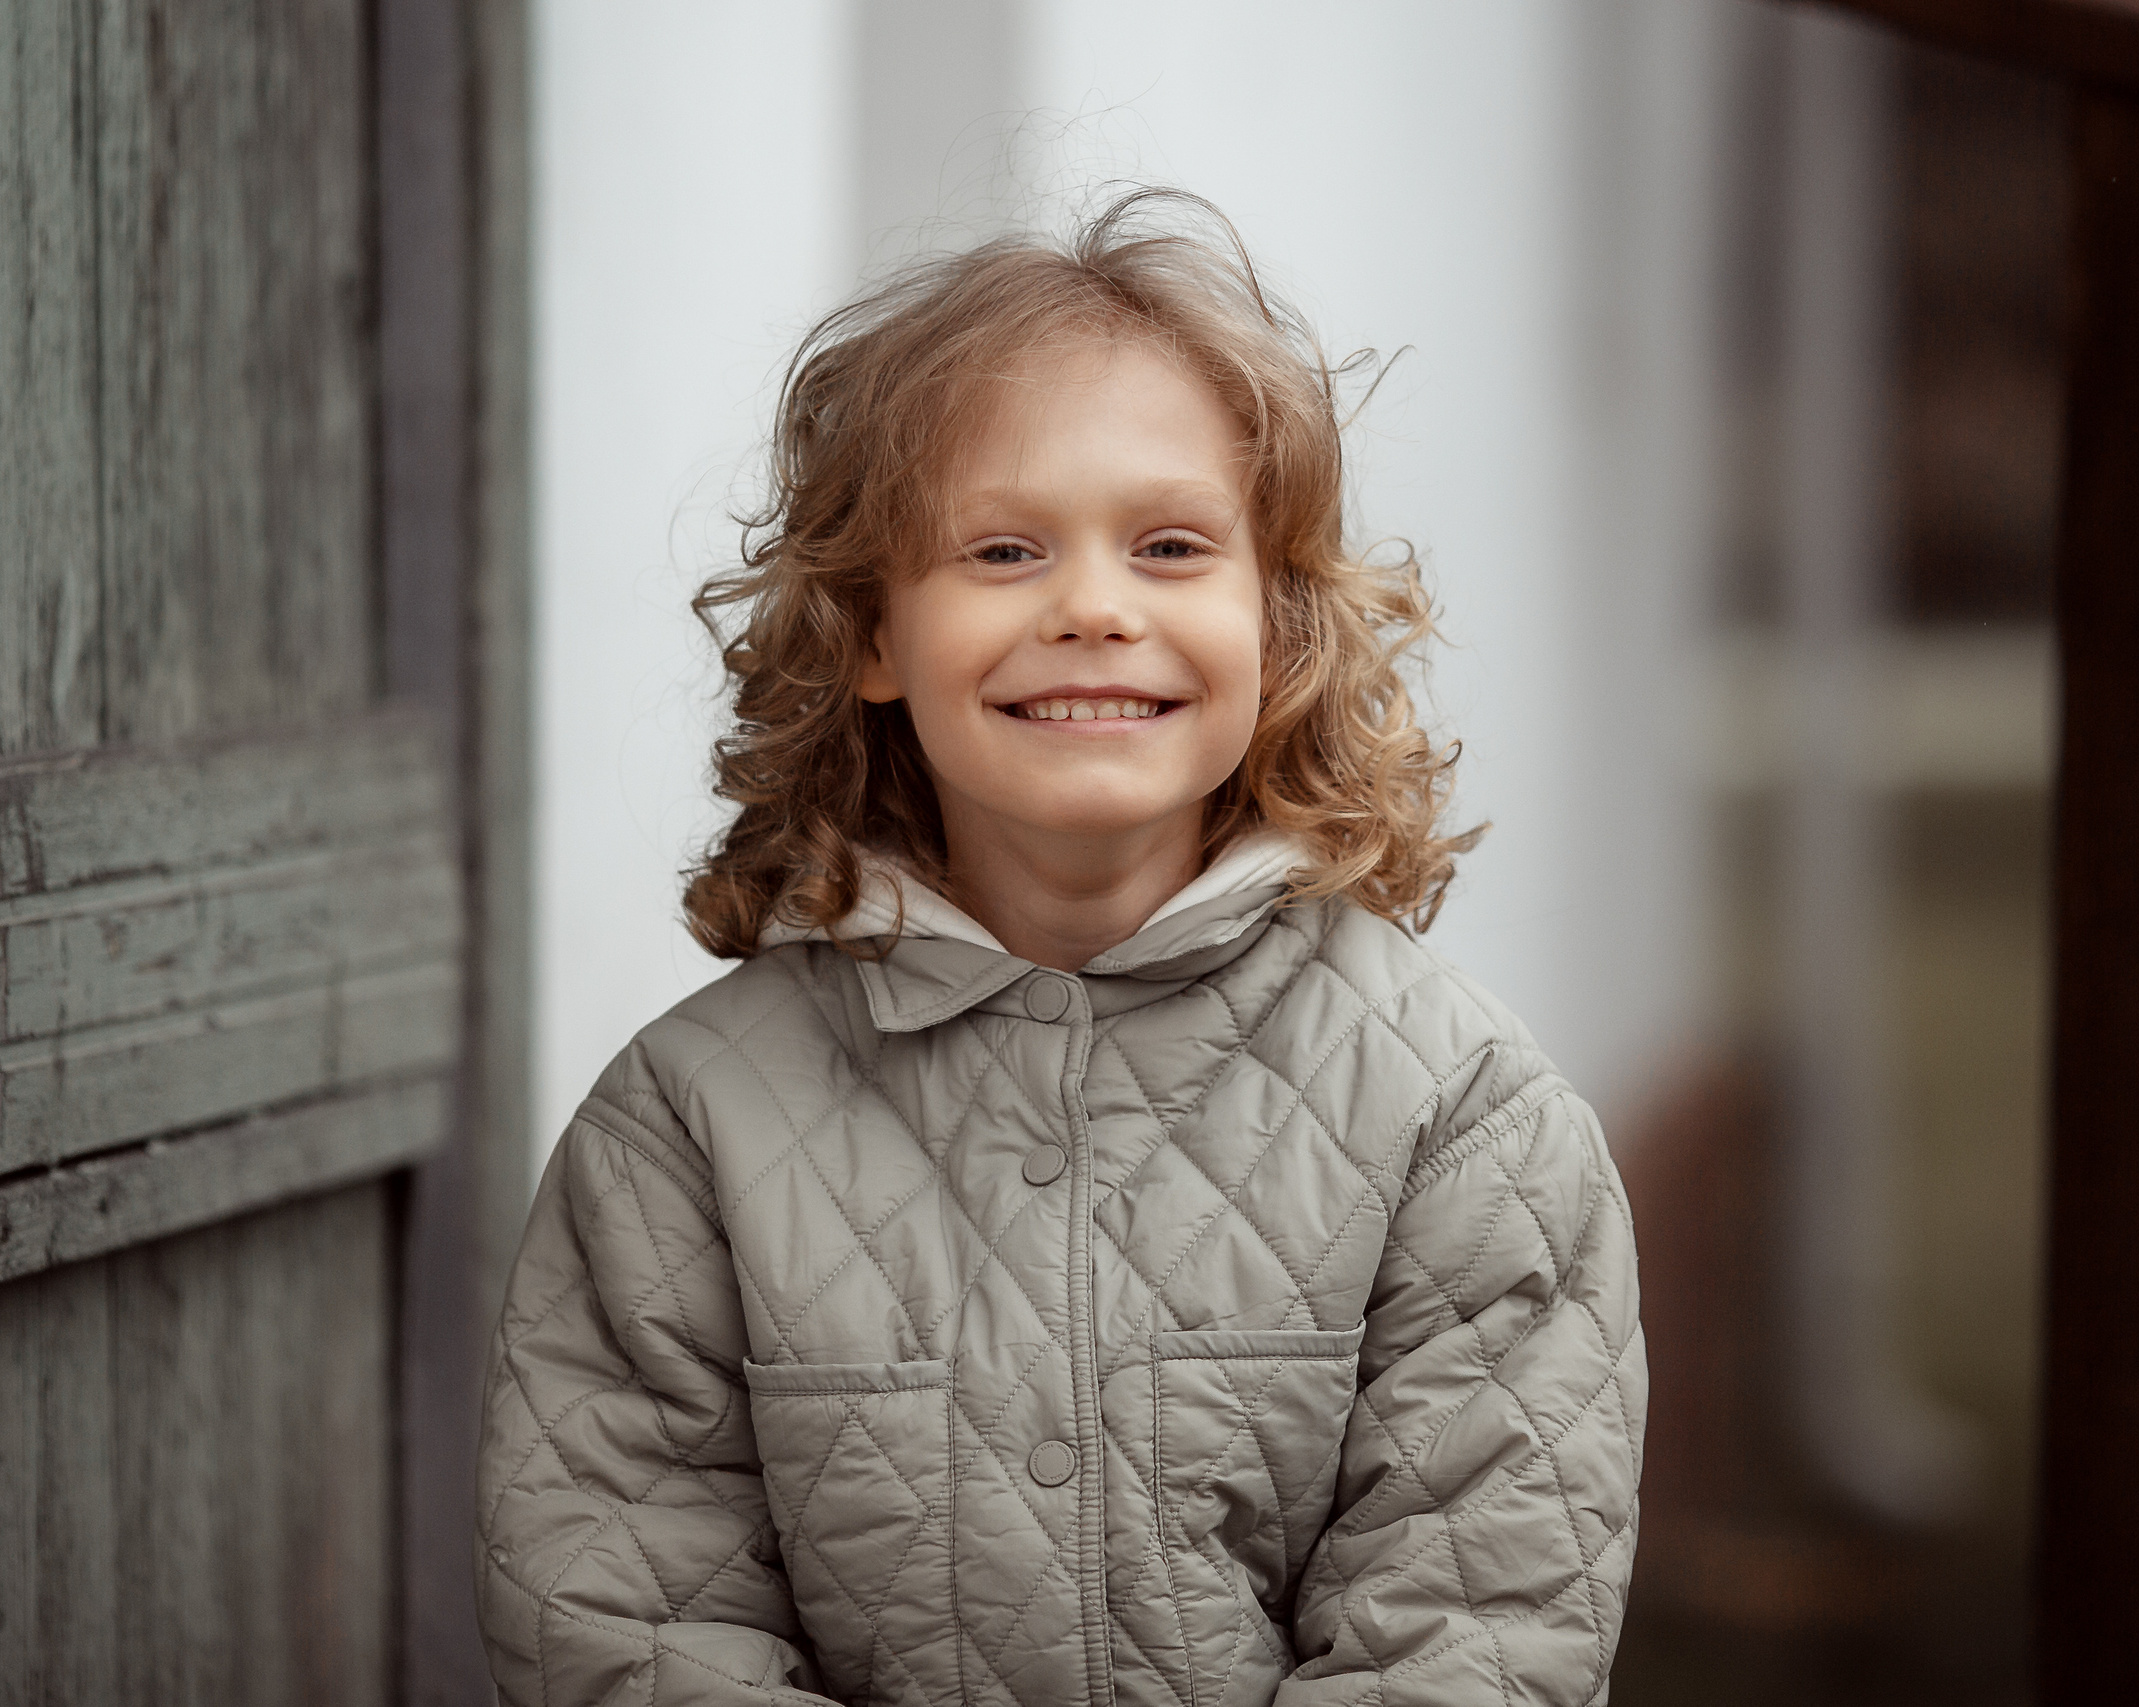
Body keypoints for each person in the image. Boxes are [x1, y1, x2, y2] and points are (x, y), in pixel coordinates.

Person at [476, 190, 1645, 1707]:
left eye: (1170, 546)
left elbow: (1477, 1634)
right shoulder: (686, 1129)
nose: (1094, 607)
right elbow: (621, 1626)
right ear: (875, 633)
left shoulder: (1461, 1115)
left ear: (1279, 626)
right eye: (1005, 549)